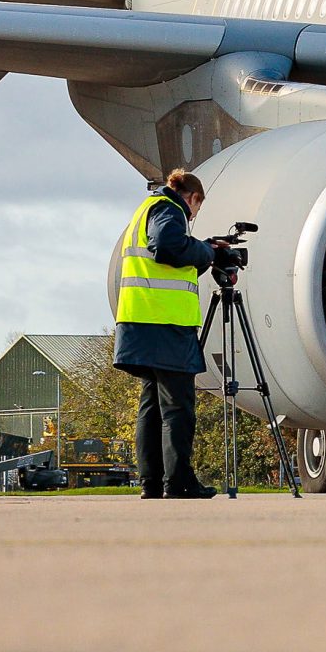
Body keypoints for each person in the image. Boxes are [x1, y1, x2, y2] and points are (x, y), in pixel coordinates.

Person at [113, 168, 217, 499]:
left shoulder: (145, 209)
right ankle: (179, 482)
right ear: (193, 198)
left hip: (140, 322)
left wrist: (201, 251)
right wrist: (207, 252)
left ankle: (152, 483)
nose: (195, 214)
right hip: (165, 324)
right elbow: (167, 246)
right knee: (178, 408)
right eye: (198, 208)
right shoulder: (168, 209)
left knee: (153, 406)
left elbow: (162, 255)